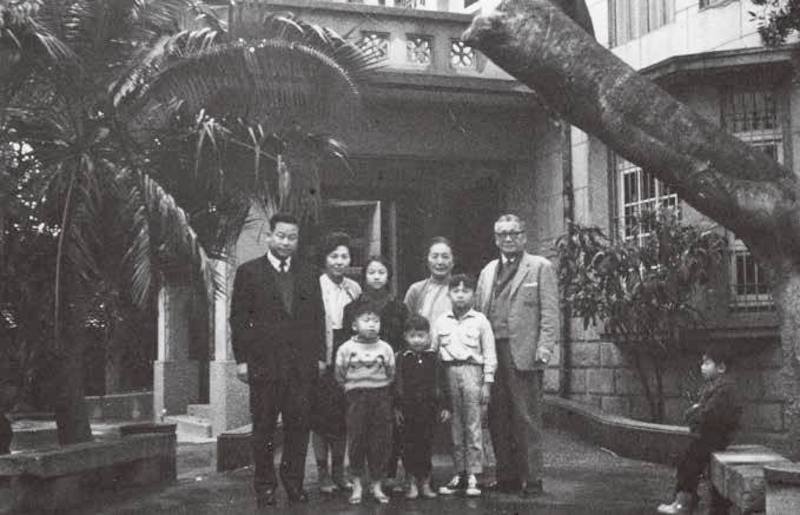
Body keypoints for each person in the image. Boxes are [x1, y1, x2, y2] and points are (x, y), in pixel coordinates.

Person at [229, 212, 325, 506]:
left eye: (292, 237)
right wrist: (242, 360)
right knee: (264, 428)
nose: (285, 242)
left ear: (298, 240)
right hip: (264, 365)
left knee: (299, 426)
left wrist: (320, 356)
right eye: (281, 236)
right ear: (269, 236)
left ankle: (294, 483)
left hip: (300, 367)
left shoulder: (309, 272)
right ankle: (265, 486)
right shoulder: (249, 272)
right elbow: (238, 320)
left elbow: (318, 318)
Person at [475, 213, 559, 498]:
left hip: (523, 351)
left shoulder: (539, 267)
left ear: (524, 236)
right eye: (502, 234)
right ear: (495, 238)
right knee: (498, 416)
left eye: (514, 233)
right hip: (492, 351)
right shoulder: (488, 271)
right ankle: (506, 476)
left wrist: (544, 348)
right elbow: (480, 311)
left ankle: (533, 478)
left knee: (526, 417)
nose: (508, 239)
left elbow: (550, 312)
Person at [342, 255, 408, 489]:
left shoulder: (399, 307)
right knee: (359, 428)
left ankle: (386, 476)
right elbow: (345, 343)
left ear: (388, 276)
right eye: (372, 272)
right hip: (360, 375)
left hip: (390, 371)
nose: (377, 277)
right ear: (364, 276)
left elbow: (405, 341)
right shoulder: (352, 308)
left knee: (388, 426)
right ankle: (358, 477)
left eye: (381, 272)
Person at [656, 346, 742, 515]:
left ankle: (684, 504)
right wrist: (696, 411)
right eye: (702, 363)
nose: (702, 367)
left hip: (716, 438)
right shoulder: (716, 387)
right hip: (713, 437)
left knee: (688, 463)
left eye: (707, 363)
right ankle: (701, 505)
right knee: (691, 460)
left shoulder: (724, 389)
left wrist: (695, 412)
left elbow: (706, 415)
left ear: (721, 367)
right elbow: (700, 412)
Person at [434, 274, 497, 497]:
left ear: (473, 295)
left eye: (466, 291)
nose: (460, 295)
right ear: (449, 294)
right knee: (455, 426)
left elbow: (489, 353)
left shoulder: (480, 321)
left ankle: (474, 474)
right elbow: (434, 351)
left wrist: (487, 383)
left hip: (473, 372)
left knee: (473, 424)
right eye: (456, 291)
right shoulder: (442, 321)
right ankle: (459, 472)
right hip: (449, 372)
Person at [312, 232, 361, 494]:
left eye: (344, 256)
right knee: (321, 419)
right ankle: (322, 473)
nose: (339, 261)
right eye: (334, 256)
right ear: (325, 258)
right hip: (323, 356)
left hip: (347, 356)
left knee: (343, 418)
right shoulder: (315, 286)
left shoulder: (354, 288)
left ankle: (339, 472)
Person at [334, 303, 396, 505]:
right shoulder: (346, 349)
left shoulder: (385, 348)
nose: (371, 325)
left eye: (376, 321)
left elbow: (391, 373)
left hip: (380, 398)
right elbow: (340, 374)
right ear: (354, 325)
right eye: (366, 320)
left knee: (380, 441)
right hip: (356, 399)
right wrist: (353, 387)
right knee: (357, 440)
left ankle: (377, 484)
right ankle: (357, 484)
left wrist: (377, 386)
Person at [394, 314, 451, 500]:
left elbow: (443, 383)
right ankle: (411, 482)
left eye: (421, 336)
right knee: (408, 446)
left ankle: (425, 481)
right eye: (412, 336)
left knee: (426, 446)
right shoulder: (401, 358)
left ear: (428, 336)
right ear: (405, 337)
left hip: (429, 409)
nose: (417, 340)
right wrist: (397, 408)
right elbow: (396, 385)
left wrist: (445, 406)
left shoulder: (434, 358)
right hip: (408, 410)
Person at [404, 236, 455, 325]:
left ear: (453, 261)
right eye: (434, 257)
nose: (440, 262)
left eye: (445, 257)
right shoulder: (416, 290)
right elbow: (406, 323)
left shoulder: (461, 290)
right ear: (427, 261)